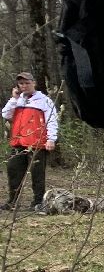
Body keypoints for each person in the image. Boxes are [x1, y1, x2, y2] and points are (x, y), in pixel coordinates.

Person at [3, 71, 58, 211]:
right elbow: (5, 114)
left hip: (37, 142)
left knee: (37, 174)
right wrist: (14, 99)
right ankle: (12, 201)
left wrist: (51, 139)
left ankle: (38, 202)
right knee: (13, 170)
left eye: (27, 83)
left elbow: (52, 120)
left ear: (33, 83)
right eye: (21, 83)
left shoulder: (44, 100)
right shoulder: (18, 100)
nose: (24, 86)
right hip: (18, 142)